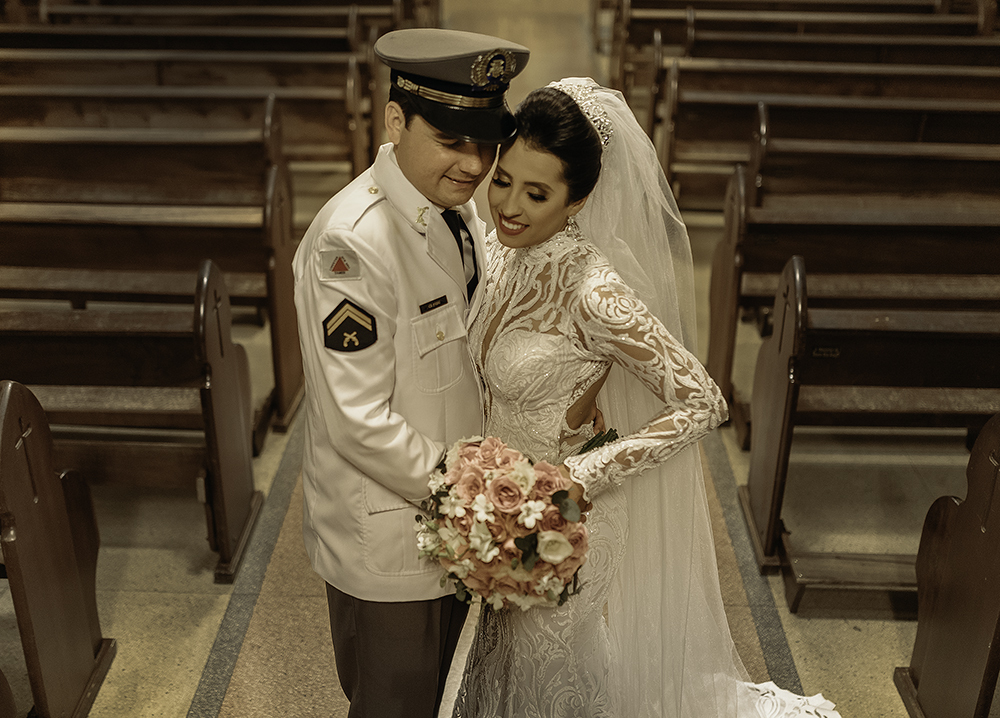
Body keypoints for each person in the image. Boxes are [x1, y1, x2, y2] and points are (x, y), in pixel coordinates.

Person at [451, 78, 842, 717]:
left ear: (576, 202)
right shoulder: (498, 248)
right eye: (503, 180)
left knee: (548, 682)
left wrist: (583, 473)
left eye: (537, 192)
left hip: (566, 526)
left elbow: (702, 400)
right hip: (496, 510)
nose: (509, 206)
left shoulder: (594, 292)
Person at [291, 28, 529, 718]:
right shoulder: (353, 242)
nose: (474, 163)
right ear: (395, 121)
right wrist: (478, 495)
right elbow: (356, 421)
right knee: (395, 704)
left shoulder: (455, 213)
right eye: (453, 139)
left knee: (449, 699)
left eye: (484, 142)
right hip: (393, 534)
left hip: (455, 520)